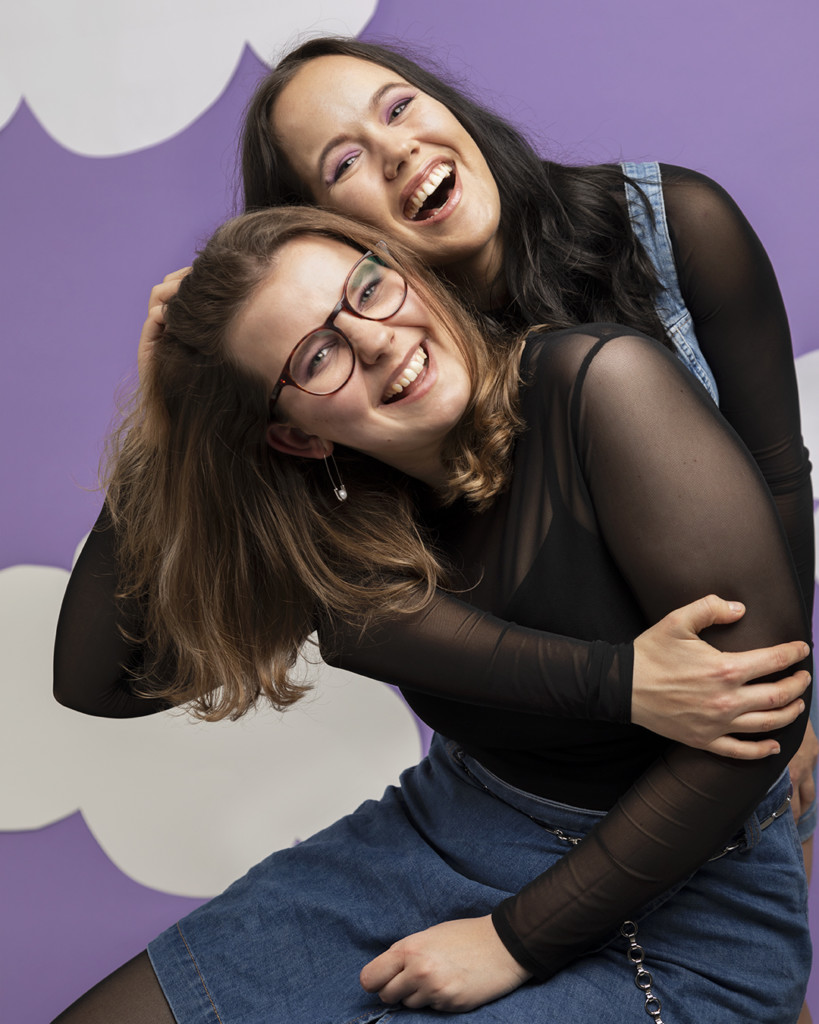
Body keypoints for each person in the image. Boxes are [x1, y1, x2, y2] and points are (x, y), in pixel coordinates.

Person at [53, 206, 811, 1022]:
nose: (372, 340)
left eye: (366, 288)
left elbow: (760, 728)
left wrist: (512, 940)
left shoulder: (602, 384)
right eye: (317, 354)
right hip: (449, 827)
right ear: (298, 439)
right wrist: (166, 424)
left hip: (687, 887)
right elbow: (97, 679)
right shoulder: (335, 524)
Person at [236, 36, 818, 855]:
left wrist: (790, 700)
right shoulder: (371, 381)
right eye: (344, 163)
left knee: (742, 951)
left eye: (398, 107)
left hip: (736, 687)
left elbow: (778, 477)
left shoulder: (674, 225)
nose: (398, 149)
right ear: (323, 232)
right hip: (543, 761)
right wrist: (179, 369)